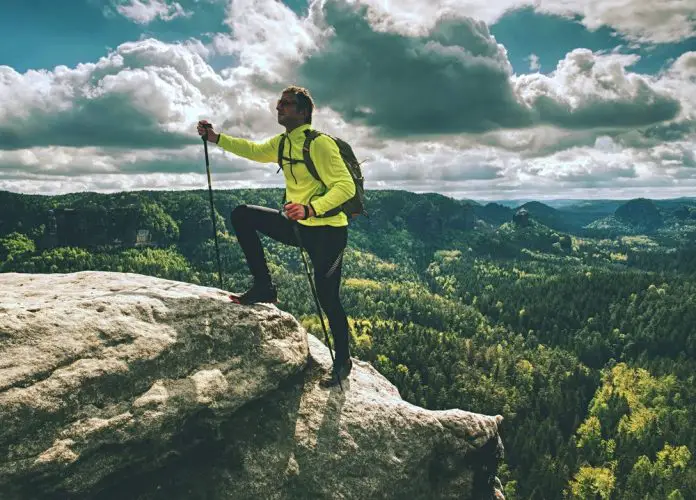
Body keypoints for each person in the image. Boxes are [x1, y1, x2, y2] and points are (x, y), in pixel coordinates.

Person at [196, 85, 355, 386]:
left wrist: (311, 209)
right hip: (299, 226)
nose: (279, 107)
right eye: (278, 103)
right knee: (242, 214)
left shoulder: (319, 144)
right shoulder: (283, 144)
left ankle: (343, 360)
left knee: (328, 298)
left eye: (287, 104)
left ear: (304, 111)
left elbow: (345, 187)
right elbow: (253, 150)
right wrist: (216, 138)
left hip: (328, 232)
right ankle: (264, 286)